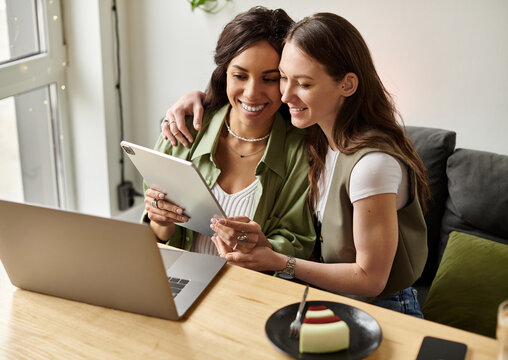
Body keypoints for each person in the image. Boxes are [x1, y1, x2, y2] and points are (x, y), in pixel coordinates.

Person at [163, 13, 429, 317]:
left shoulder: (372, 165)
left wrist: (279, 262)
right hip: (330, 302)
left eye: (302, 83)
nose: (285, 95)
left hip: (384, 311)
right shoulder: (317, 138)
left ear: (347, 85)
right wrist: (199, 98)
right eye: (284, 78)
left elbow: (371, 279)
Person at [143, 7, 316, 261]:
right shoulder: (182, 129)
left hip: (251, 289)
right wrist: (161, 222)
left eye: (269, 79)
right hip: (178, 280)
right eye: (240, 75)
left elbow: (298, 244)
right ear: (224, 73)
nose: (251, 93)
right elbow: (152, 237)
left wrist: (261, 245)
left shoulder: (301, 150)